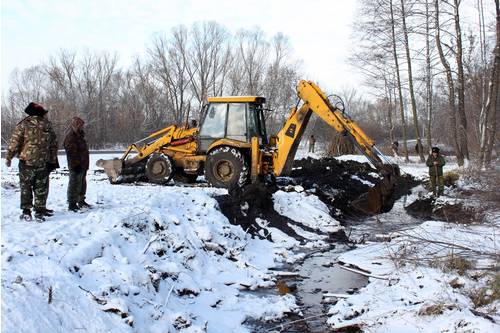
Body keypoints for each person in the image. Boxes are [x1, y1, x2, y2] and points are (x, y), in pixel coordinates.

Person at [5, 102, 59, 221]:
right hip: (42, 163)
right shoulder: (47, 125)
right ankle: (39, 212)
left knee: (26, 187)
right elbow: (54, 144)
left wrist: (9, 157)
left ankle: (26, 212)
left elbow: (15, 142)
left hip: (26, 163)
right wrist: (52, 160)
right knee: (41, 188)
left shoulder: (24, 124)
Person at [64, 117, 90, 212]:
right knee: (74, 183)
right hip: (75, 165)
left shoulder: (80, 136)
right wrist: (75, 165)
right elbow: (71, 153)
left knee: (82, 183)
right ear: (76, 125)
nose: (82, 127)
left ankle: (81, 200)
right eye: (80, 125)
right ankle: (72, 203)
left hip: (83, 164)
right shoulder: (71, 137)